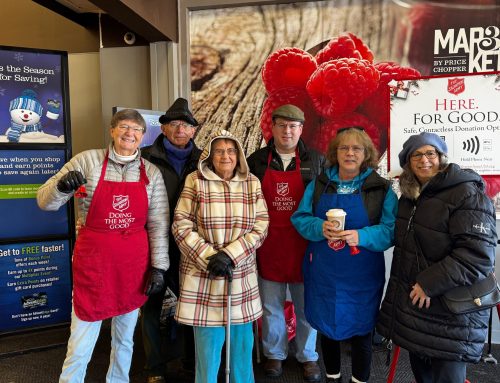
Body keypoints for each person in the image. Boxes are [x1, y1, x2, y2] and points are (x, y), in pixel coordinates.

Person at [36, 109, 169, 383]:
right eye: (123, 126)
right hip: (93, 263)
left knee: (125, 339)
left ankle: (118, 380)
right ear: (112, 130)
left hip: (133, 267)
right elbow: (44, 202)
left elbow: (157, 224)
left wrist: (159, 267)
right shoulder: (86, 161)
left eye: (135, 129)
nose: (129, 133)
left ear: (143, 136)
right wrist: (61, 187)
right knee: (81, 338)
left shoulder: (151, 173)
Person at [377, 132, 497, 383]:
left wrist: (428, 284)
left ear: (441, 157)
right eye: (416, 155)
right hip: (418, 308)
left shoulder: (466, 193)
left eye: (430, 153)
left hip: (451, 311)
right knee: (422, 374)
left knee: (447, 377)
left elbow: (477, 255)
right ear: (408, 163)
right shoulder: (409, 198)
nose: (424, 160)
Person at [291, 126, 398, 383]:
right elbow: (300, 218)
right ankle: (333, 377)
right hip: (324, 271)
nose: (350, 153)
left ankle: (359, 379)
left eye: (356, 148)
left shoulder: (380, 188)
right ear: (335, 153)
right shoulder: (319, 185)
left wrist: (361, 236)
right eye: (344, 148)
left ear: (366, 154)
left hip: (361, 274)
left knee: (362, 329)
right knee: (327, 327)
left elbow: (391, 230)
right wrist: (319, 227)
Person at [172, 129, 269, 383]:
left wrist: (230, 255)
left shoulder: (252, 183)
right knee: (207, 354)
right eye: (219, 151)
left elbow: (261, 226)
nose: (225, 156)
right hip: (203, 278)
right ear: (210, 156)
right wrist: (209, 258)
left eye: (230, 150)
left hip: (239, 277)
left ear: (238, 155)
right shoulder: (195, 180)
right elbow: (181, 225)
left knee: (241, 352)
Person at [247, 104, 325, 381]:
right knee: (271, 305)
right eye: (282, 125)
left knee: (306, 307)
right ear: (273, 128)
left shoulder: (316, 160)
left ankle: (308, 356)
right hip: (268, 244)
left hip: (304, 245)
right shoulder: (256, 161)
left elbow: (324, 202)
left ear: (301, 129)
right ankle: (275, 354)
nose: (287, 131)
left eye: (293, 126)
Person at [141, 97, 202, 383]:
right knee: (151, 303)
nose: (181, 129)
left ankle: (191, 362)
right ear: (163, 128)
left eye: (186, 125)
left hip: (190, 243)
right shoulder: (143, 157)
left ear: (194, 131)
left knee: (192, 302)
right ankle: (155, 368)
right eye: (174, 124)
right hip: (151, 241)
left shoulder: (204, 160)